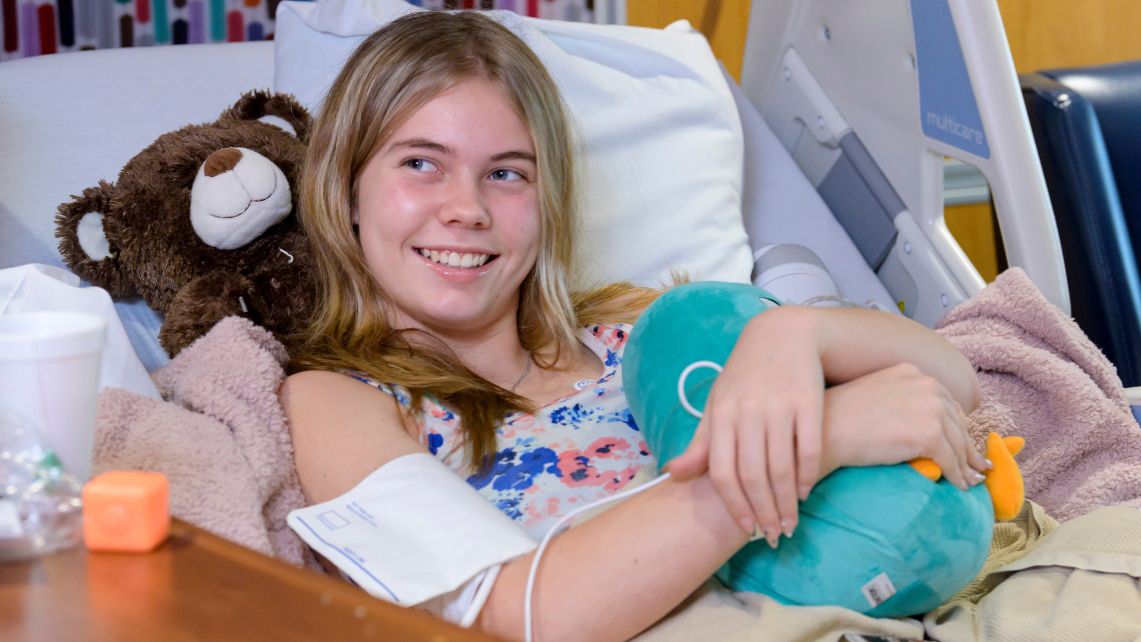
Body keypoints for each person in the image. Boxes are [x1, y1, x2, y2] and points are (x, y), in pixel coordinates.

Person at [281, 10, 988, 641]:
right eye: (420, 164)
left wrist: (795, 335)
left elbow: (952, 381)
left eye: (506, 174)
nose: (465, 209)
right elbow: (518, 616)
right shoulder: (343, 400)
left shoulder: (640, 334)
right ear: (345, 190)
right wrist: (819, 440)